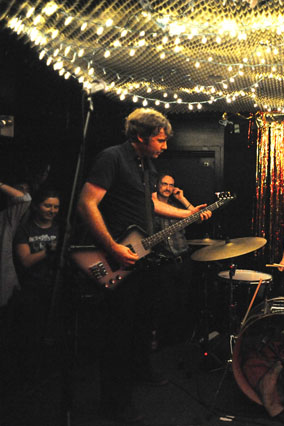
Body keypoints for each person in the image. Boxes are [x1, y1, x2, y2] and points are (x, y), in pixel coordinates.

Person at [76, 108, 212, 423]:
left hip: (143, 256)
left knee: (141, 325)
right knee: (118, 333)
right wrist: (112, 246)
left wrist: (189, 214)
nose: (165, 146)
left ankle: (138, 373)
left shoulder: (145, 164)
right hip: (118, 256)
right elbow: (86, 203)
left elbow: (151, 203)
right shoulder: (112, 158)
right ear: (140, 136)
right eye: (160, 140)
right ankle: (114, 405)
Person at [10, 188, 61, 384]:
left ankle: (48, 372)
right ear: (37, 207)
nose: (52, 210)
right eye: (48, 206)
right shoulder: (26, 230)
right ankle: (27, 376)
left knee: (53, 332)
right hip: (31, 287)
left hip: (55, 287)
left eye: (56, 207)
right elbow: (25, 261)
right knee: (31, 333)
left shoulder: (60, 229)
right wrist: (50, 249)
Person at [151, 173, 197, 347]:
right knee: (164, 304)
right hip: (163, 264)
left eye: (171, 185)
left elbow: (198, 217)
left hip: (183, 260)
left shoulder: (178, 206)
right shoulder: (150, 207)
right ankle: (163, 343)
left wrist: (182, 199)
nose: (168, 188)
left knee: (182, 302)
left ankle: (180, 343)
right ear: (157, 185)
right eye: (164, 184)